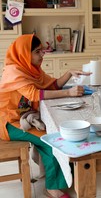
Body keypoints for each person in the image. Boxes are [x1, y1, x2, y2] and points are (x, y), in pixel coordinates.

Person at [0, 34, 91, 198]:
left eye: (42, 50)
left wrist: (69, 73)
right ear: (24, 54)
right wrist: (69, 92)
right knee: (52, 142)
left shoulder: (32, 70)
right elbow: (35, 94)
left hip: (24, 117)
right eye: (37, 51)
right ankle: (52, 188)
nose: (42, 54)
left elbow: (52, 85)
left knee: (55, 136)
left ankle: (62, 173)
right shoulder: (14, 72)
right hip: (8, 123)